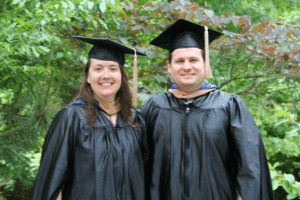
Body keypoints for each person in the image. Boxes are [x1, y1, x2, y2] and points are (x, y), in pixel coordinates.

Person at [141, 19, 274, 200]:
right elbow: (136, 160)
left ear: (205, 63)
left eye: (193, 59)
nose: (187, 66)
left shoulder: (229, 106)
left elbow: (251, 165)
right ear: (169, 66)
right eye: (180, 61)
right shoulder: (154, 107)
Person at [32, 36, 148, 200]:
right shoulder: (70, 117)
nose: (106, 75)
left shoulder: (135, 120)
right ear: (87, 76)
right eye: (98, 68)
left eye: (113, 69)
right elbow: (52, 181)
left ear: (122, 76)